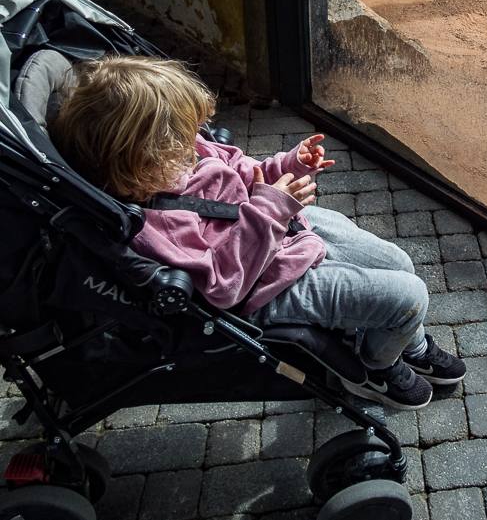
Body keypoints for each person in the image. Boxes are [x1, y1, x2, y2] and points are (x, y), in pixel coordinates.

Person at [49, 55, 463, 410]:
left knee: (398, 262)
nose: (194, 146)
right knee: (409, 298)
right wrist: (273, 207)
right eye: (179, 141)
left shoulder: (188, 153)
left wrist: (291, 165)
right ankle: (375, 368)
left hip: (276, 232)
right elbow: (223, 286)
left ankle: (413, 348)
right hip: (263, 285)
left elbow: (250, 173)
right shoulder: (154, 225)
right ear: (138, 162)